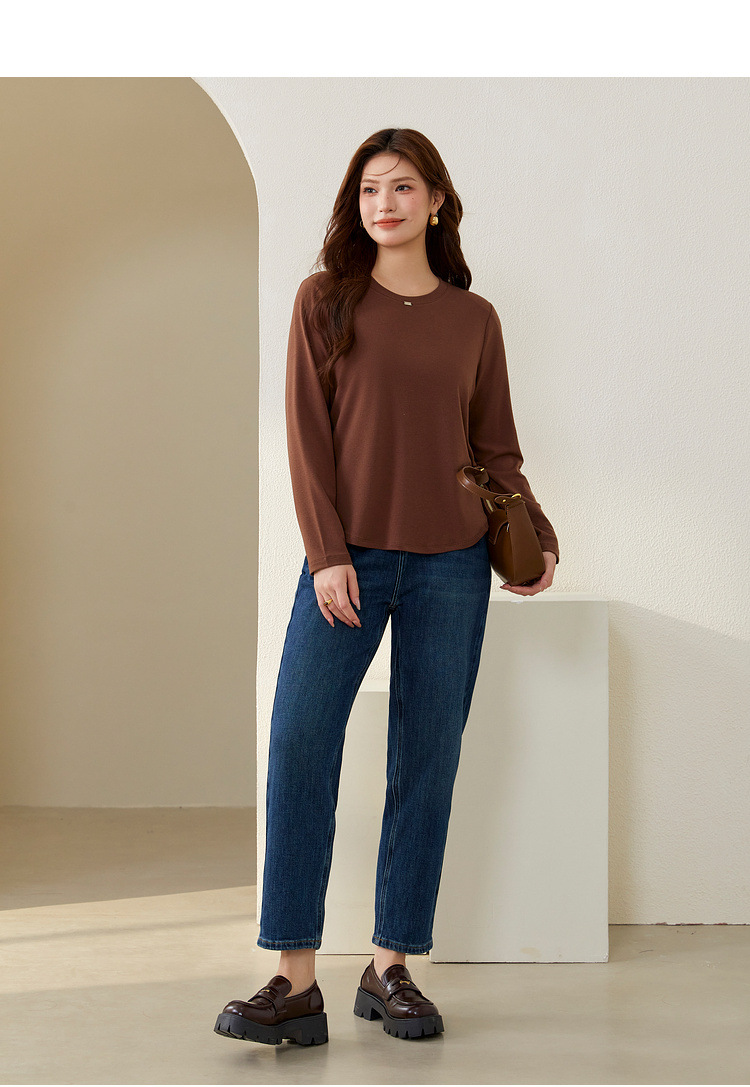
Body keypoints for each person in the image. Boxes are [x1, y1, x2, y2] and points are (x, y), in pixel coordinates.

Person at [214, 127, 559, 1047]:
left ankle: (390, 965)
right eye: (370, 188)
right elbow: (306, 435)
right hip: (349, 560)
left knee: (426, 757)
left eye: (403, 187)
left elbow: (496, 448)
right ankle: (293, 980)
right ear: (356, 202)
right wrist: (326, 552)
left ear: (436, 201)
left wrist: (537, 536)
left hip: (453, 562)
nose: (385, 204)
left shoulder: (474, 318)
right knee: (300, 741)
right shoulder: (325, 300)